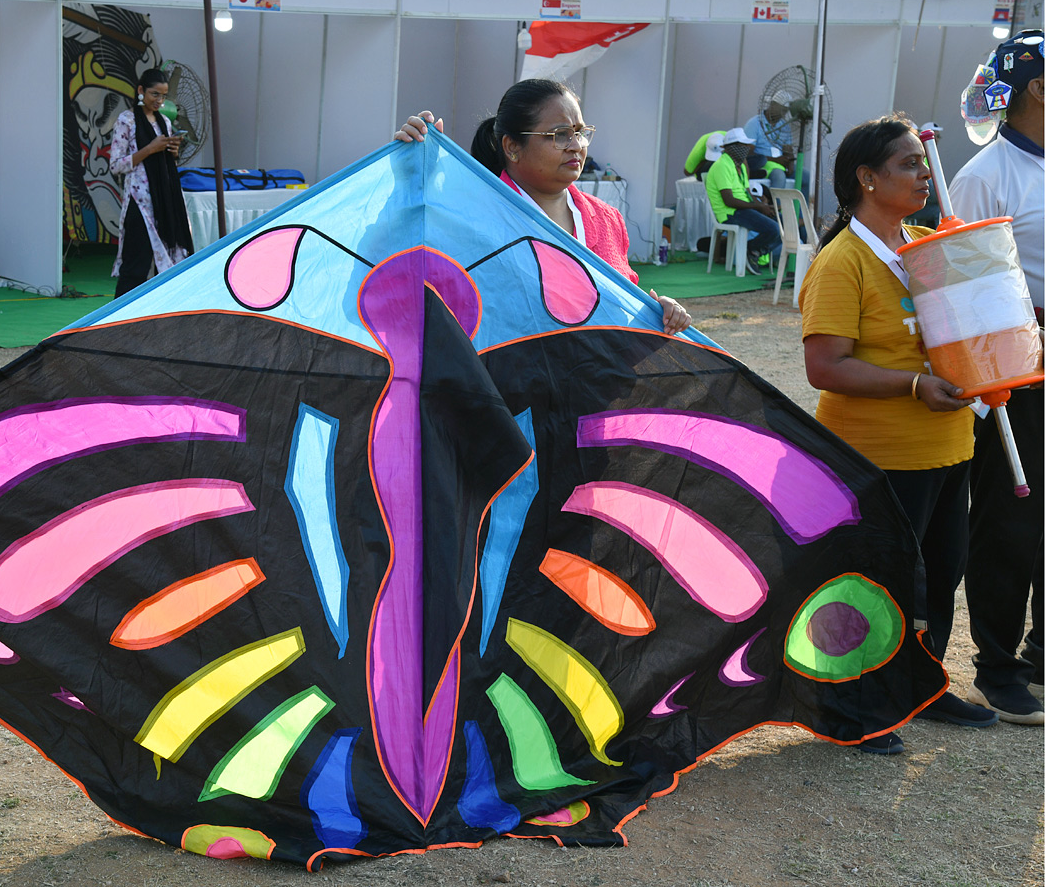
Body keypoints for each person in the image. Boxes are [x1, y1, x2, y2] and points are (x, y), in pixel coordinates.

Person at [800, 114, 1000, 754]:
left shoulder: (929, 245)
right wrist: (914, 387)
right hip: (878, 454)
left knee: (940, 574)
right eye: (908, 164)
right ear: (866, 178)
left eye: (922, 161)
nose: (924, 175)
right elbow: (824, 366)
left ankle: (923, 684)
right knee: (875, 581)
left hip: (949, 445)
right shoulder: (843, 261)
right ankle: (851, 705)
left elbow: (966, 334)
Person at [394, 80, 691, 336]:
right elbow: (400, 287)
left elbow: (621, 310)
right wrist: (408, 189)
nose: (576, 145)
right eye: (560, 135)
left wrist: (656, 312)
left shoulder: (606, 219)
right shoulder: (473, 217)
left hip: (596, 395)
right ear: (512, 147)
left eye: (580, 132)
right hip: (504, 395)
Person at [951, 29, 1045, 726]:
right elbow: (964, 289)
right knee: (1012, 516)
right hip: (1018, 362)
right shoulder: (987, 174)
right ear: (1038, 88)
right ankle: (998, 663)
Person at [109, 68, 194, 298]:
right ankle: (119, 319)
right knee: (135, 266)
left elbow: (164, 162)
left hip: (164, 201)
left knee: (166, 265)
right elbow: (115, 165)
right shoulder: (127, 120)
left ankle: (154, 319)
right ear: (140, 91)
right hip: (140, 202)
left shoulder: (165, 121)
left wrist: (172, 151)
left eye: (164, 96)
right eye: (154, 94)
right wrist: (149, 149)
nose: (159, 101)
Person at [703, 128, 783, 276]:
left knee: (784, 224)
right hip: (730, 213)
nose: (747, 149)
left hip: (742, 209)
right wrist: (758, 206)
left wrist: (764, 206)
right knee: (774, 229)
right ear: (732, 147)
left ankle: (754, 250)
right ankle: (751, 249)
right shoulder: (722, 165)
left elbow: (746, 193)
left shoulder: (739, 165)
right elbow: (729, 200)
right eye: (743, 145)